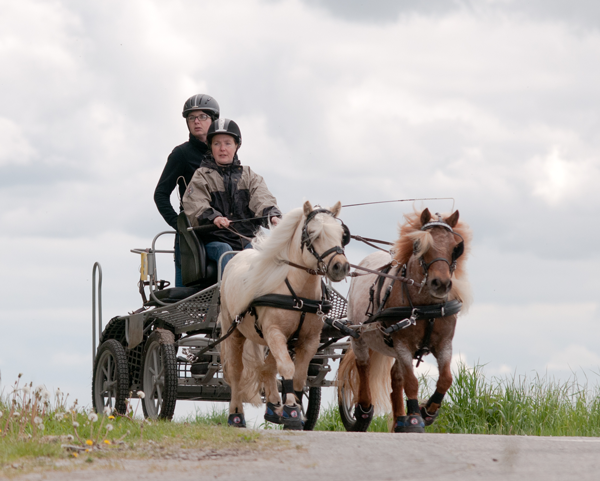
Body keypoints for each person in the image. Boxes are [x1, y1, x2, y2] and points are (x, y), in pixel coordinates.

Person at [182, 118, 281, 274]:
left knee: (262, 248)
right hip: (215, 240)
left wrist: (272, 216)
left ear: (236, 146)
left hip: (247, 238)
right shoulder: (201, 176)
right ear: (210, 147)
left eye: (228, 143)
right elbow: (196, 205)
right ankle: (226, 295)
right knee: (225, 250)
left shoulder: (249, 175)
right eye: (217, 144)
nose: (222, 149)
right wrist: (214, 218)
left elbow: (262, 199)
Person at [154, 94, 220, 287]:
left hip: (221, 233)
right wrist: (179, 225)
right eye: (191, 118)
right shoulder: (181, 154)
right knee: (185, 304)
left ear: (214, 119)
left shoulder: (224, 151)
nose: (196, 121)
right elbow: (160, 194)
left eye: (202, 116)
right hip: (191, 238)